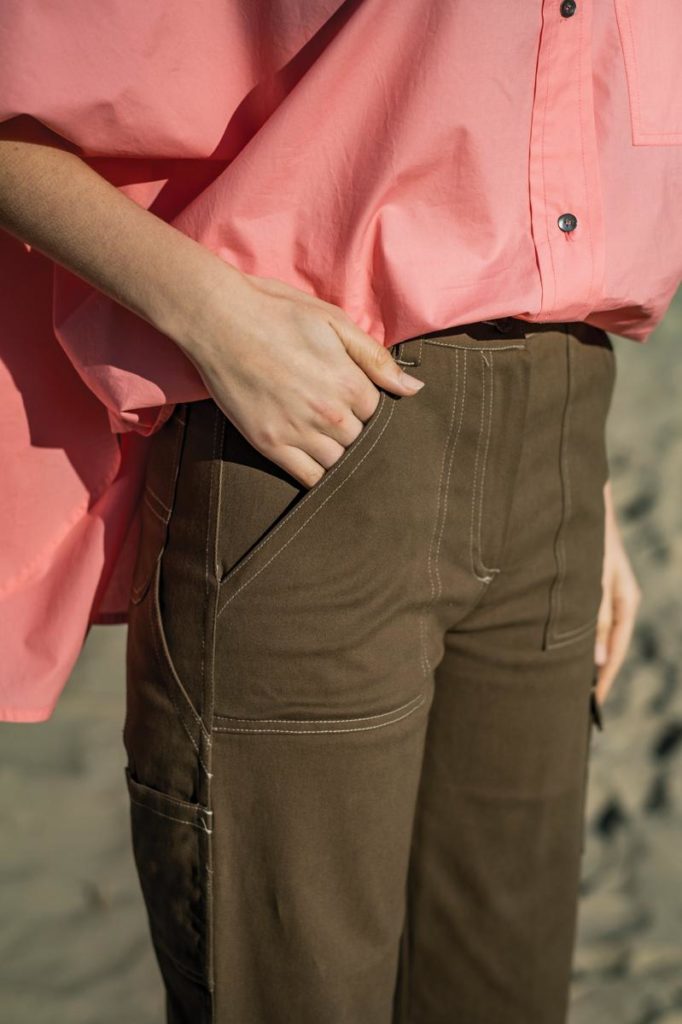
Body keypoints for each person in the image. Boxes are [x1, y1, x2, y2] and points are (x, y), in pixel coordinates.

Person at [1, 1, 672, 1021]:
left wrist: (587, 479)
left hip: (560, 450)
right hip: (311, 450)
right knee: (287, 989)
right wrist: (208, 313)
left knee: (502, 993)